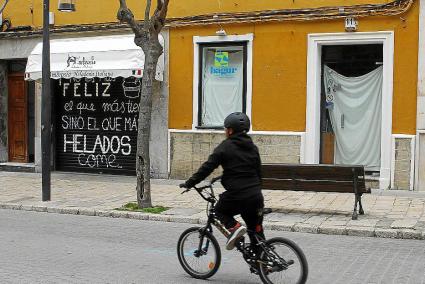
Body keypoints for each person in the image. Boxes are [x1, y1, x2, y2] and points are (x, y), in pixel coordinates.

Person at [180, 112, 265, 252]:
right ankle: (263, 264)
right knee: (256, 231)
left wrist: (190, 183)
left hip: (238, 195)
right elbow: (258, 172)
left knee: (219, 211)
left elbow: (207, 167)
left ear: (230, 130)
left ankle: (235, 228)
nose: (225, 131)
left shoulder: (225, 147)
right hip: (256, 196)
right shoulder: (253, 148)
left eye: (225, 129)